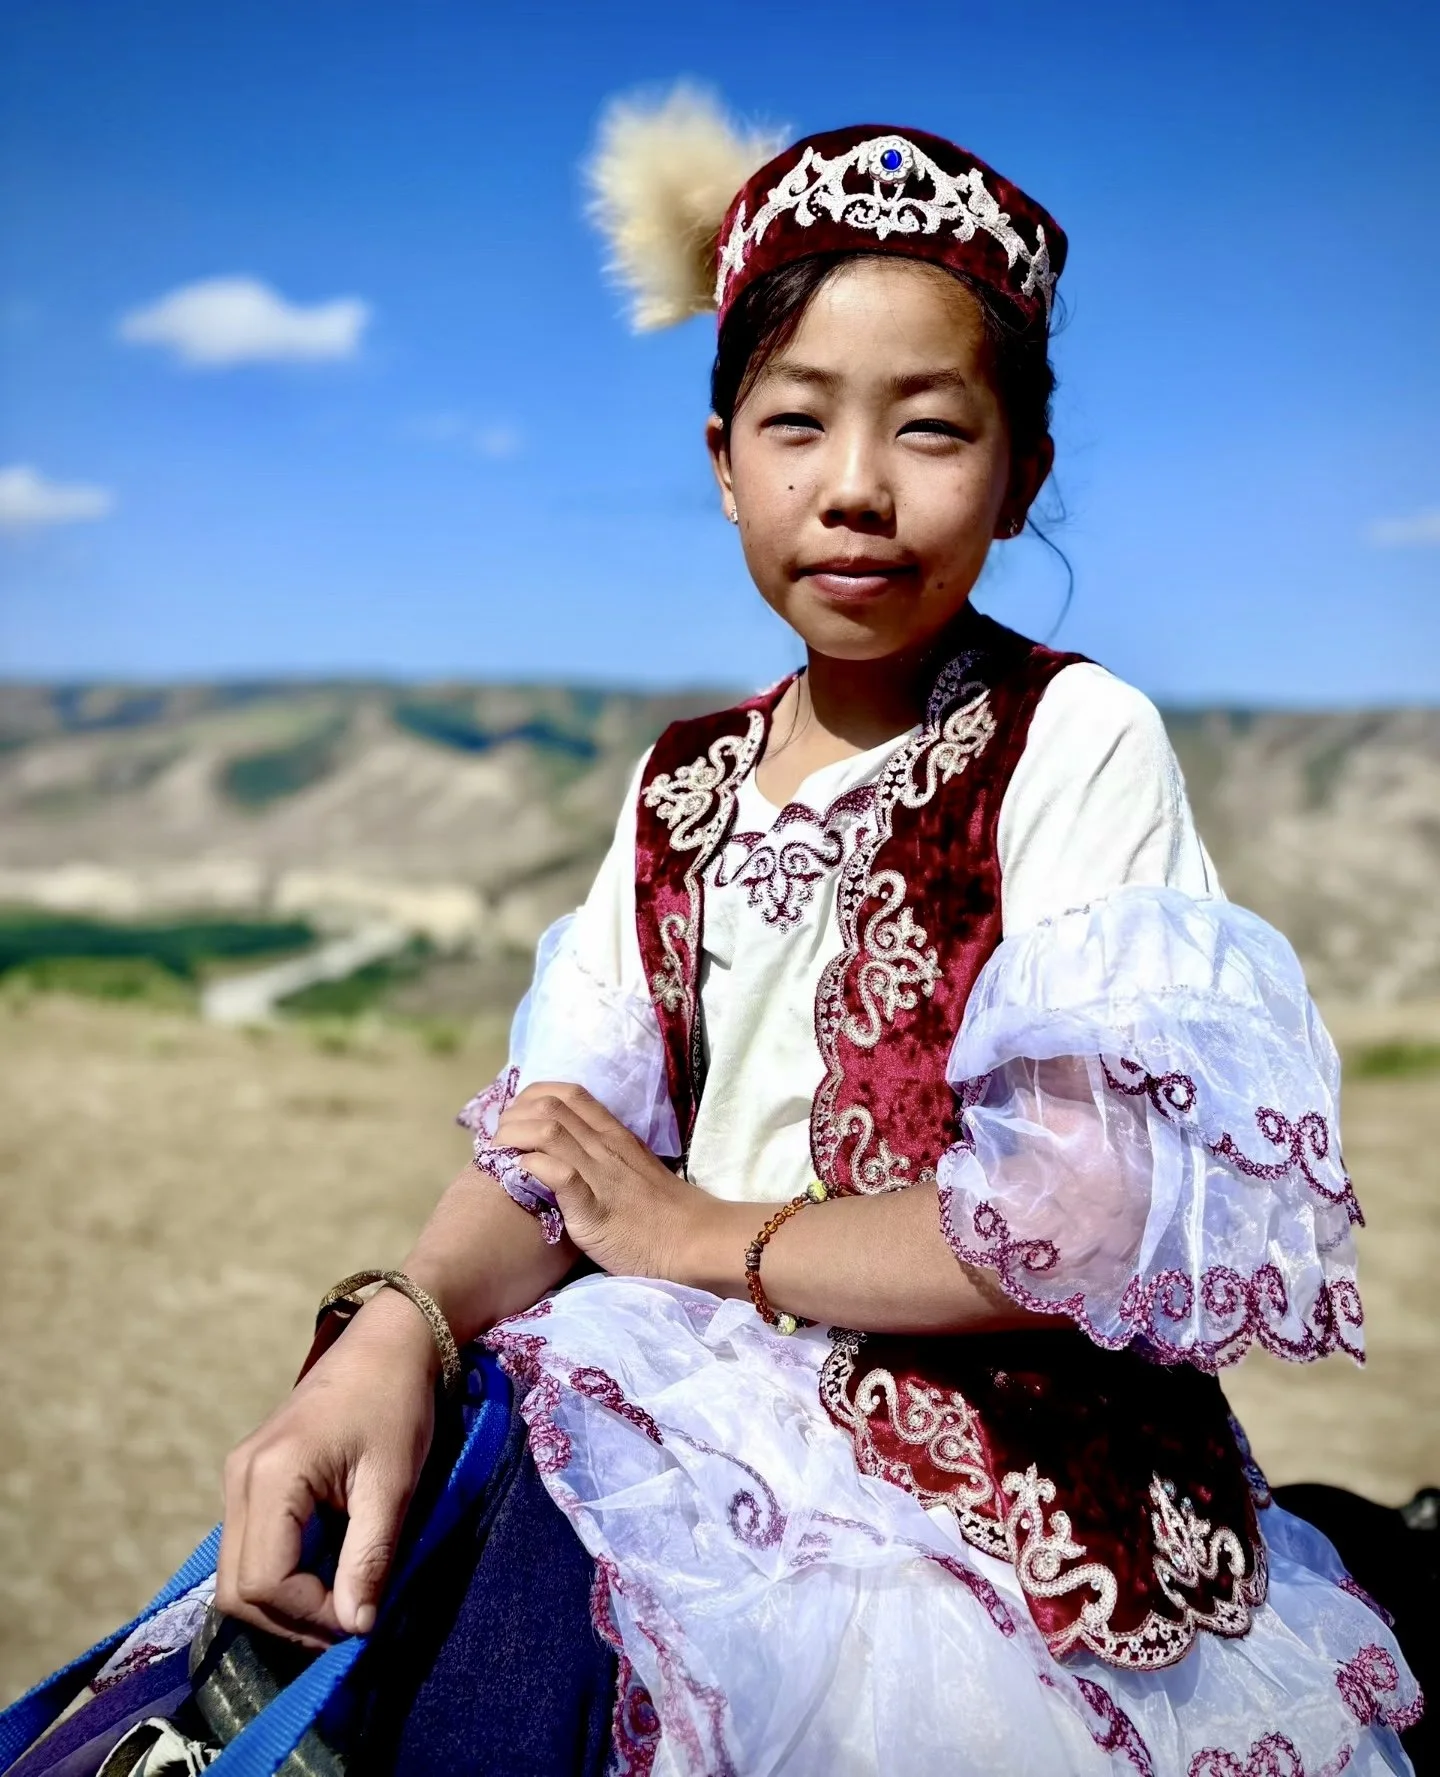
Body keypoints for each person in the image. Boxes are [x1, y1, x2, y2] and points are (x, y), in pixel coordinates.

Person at [2, 91, 1424, 1777]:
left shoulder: (1075, 738)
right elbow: (559, 1146)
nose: (857, 490)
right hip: (661, 1402)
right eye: (798, 422)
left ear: (1025, 464)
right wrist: (397, 1322)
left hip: (977, 1485)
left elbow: (1082, 1210)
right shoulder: (682, 786)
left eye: (932, 429)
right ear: (720, 458)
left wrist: (704, 1239)